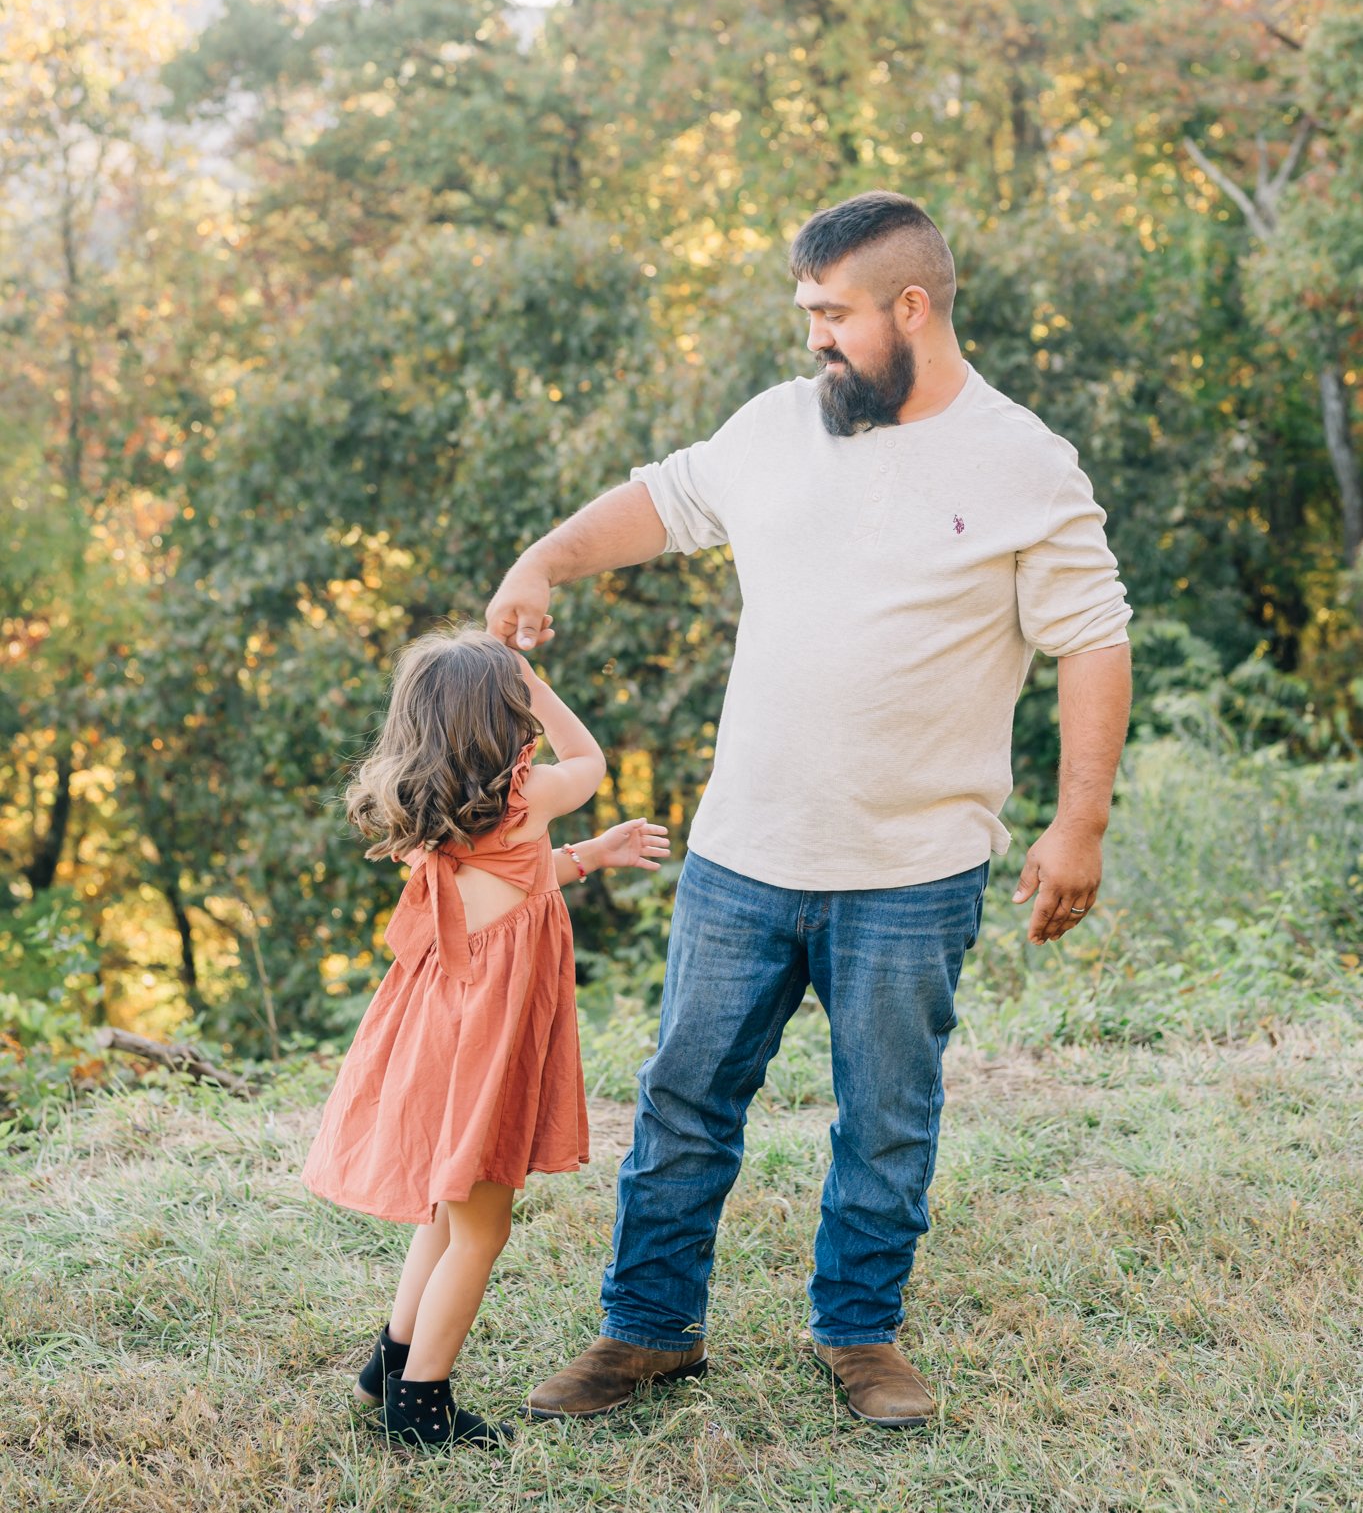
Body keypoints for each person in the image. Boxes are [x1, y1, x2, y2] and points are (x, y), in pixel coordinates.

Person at [484, 190, 1133, 1430]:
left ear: (910, 306)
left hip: (912, 866)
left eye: (832, 315)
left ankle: (859, 1335)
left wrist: (1079, 822)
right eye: (806, 314)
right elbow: (662, 501)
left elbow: (1092, 642)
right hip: (743, 855)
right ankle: (646, 1331)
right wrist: (546, 556)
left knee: (887, 1115)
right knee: (682, 1098)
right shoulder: (777, 426)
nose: (814, 339)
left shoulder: (1023, 461)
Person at [301, 624, 669, 1449]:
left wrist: (589, 857)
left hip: (442, 1022)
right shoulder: (523, 792)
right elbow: (593, 762)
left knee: (448, 1206)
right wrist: (533, 681)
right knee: (482, 1227)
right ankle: (421, 1404)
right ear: (503, 718)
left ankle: (391, 1362)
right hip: (485, 1032)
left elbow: (509, 880)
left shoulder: (437, 804)